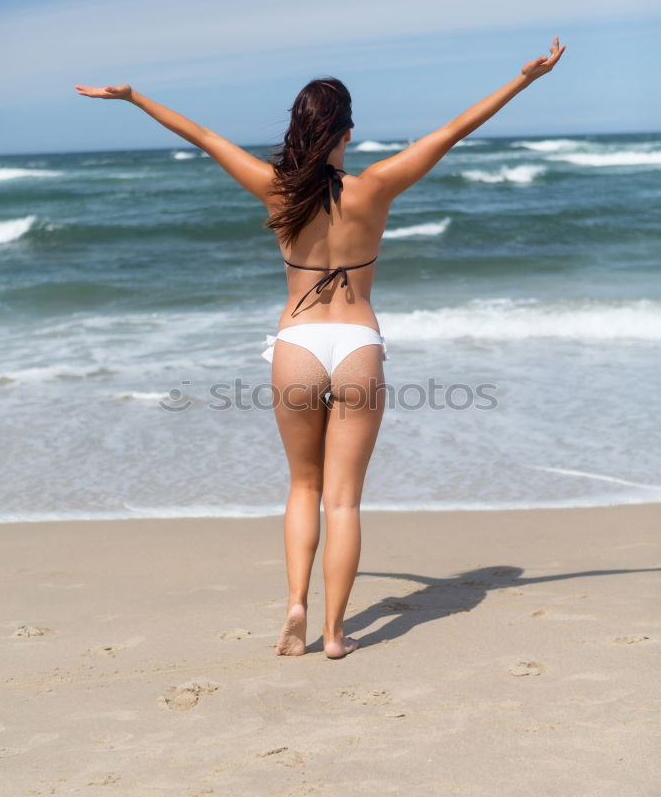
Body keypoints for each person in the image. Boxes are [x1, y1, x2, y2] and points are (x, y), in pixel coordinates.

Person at [75, 35, 566, 659]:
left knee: (303, 487)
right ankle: (336, 633)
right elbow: (454, 131)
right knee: (344, 500)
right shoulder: (377, 187)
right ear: (348, 132)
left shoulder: (275, 188)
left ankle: (296, 604)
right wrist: (525, 79)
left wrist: (135, 97)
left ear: (298, 128)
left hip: (297, 343)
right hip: (358, 340)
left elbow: (202, 136)